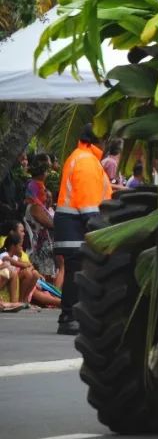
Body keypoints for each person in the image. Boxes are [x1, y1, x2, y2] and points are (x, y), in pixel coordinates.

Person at [54, 123, 112, 334]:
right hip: (76, 227)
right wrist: (100, 228)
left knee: (78, 271)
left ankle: (74, 315)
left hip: (72, 225)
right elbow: (88, 204)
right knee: (76, 272)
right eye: (105, 139)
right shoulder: (87, 161)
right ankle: (69, 317)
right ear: (98, 141)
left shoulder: (81, 157)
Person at [23, 153, 59, 284]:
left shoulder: (36, 203)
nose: (45, 194)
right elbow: (48, 223)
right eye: (43, 191)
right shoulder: (34, 206)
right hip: (38, 246)